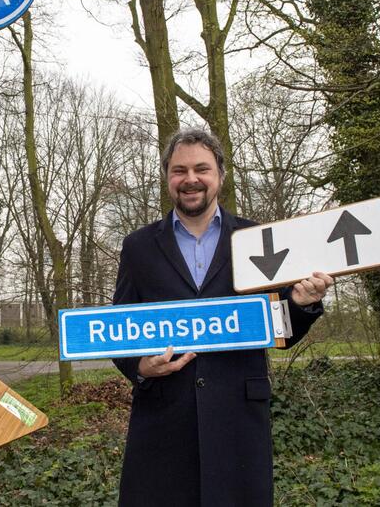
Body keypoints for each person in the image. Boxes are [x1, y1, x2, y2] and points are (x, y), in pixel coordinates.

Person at [112, 129, 334, 506]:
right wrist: (141, 367)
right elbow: (121, 330)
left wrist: (301, 303)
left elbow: (280, 328)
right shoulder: (138, 247)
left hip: (238, 421)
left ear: (220, 176)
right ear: (167, 177)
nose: (191, 179)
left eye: (202, 168)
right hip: (163, 422)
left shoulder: (257, 237)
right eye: (179, 170)